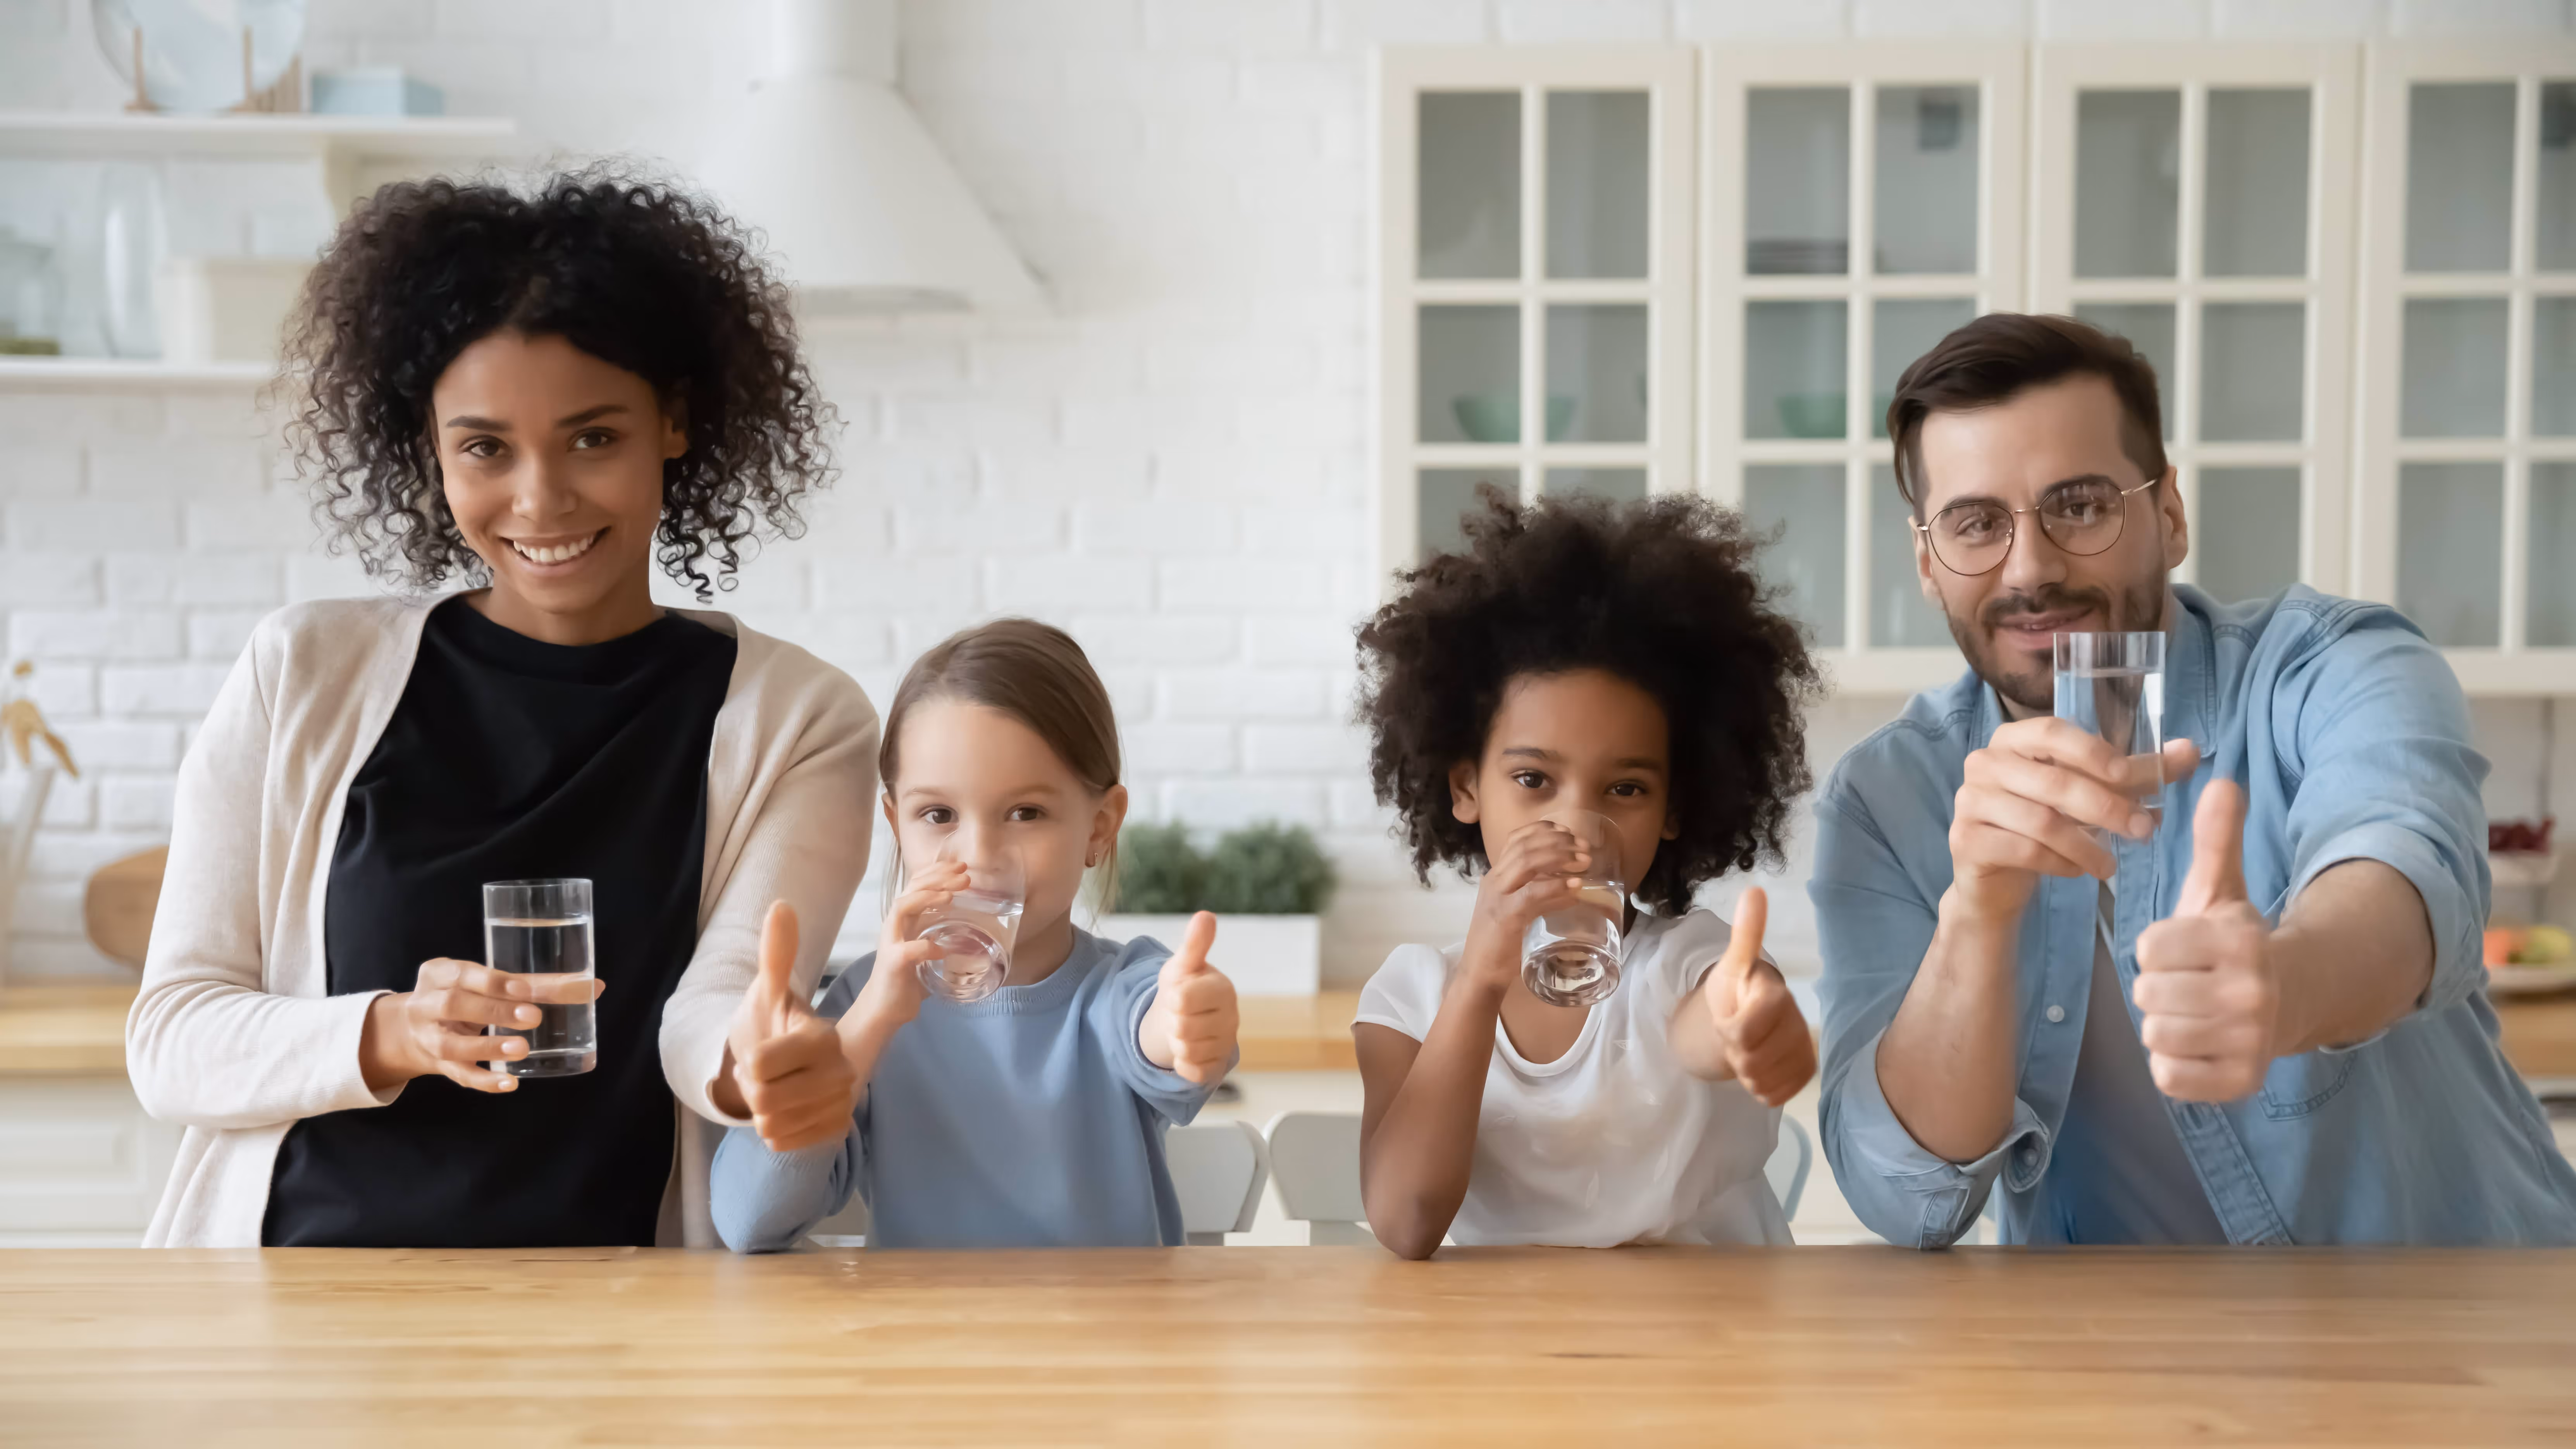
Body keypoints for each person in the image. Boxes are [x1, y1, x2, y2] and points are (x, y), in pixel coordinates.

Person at [126, 169, 876, 1248]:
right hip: (295, 1307)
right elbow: (172, 1038)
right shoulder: (302, 672)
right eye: (486, 447)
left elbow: (716, 1011)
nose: (540, 499)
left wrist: (756, 1064)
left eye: (593, 438)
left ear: (674, 419)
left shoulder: (799, 719)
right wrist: (392, 1031)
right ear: (430, 447)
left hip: (616, 1320)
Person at [1812, 312, 2576, 1248]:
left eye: (2081, 504)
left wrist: (2284, 983)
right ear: (1929, 562)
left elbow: (2410, 870)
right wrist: (1976, 909)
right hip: (2128, 1367)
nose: (2033, 567)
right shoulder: (1886, 799)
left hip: (2456, 1326)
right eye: (1976, 524)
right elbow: (1903, 1197)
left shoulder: (2333, 666)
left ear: (2169, 514)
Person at [1350, 490, 1825, 1260]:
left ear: (1676, 804)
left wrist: (1751, 1019)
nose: (1575, 823)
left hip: (1715, 1353)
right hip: (1507, 1365)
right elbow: (1407, 1222)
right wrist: (1478, 979)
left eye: (1626, 789)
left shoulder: (1688, 964)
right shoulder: (1410, 998)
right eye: (1535, 780)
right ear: (1466, 786)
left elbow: (1712, 1024)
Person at [711, 619, 1242, 1251]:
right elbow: (748, 1221)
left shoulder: (1123, 990)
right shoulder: (863, 1009)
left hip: (1110, 1346)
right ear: (896, 824)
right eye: (938, 815)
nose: (980, 853)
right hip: (933, 1347)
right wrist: (870, 1023)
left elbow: (1156, 1038)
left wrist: (1185, 1024)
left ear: (1100, 828)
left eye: (1026, 814)